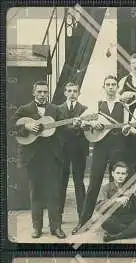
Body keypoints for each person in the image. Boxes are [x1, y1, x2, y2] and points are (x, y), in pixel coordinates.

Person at [72, 75, 129, 234]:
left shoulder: (124, 106)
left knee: (116, 185)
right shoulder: (97, 105)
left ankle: (113, 224)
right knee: (94, 184)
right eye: (108, 84)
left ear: (117, 87)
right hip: (100, 146)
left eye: (113, 85)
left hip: (118, 146)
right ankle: (83, 222)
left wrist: (126, 129)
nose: (111, 87)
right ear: (104, 87)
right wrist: (91, 123)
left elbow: (127, 128)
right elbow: (81, 120)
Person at [12, 80, 66, 239]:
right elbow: (11, 125)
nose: (42, 95)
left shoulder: (55, 109)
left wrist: (74, 123)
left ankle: (56, 228)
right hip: (33, 157)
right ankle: (37, 227)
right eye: (39, 92)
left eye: (45, 92)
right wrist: (26, 127)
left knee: (53, 193)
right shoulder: (25, 109)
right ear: (33, 92)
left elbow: (64, 128)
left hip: (52, 157)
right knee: (35, 192)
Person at [95, 161, 136, 242]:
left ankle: (117, 236)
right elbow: (99, 207)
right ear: (113, 173)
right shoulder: (106, 188)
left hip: (128, 217)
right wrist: (116, 199)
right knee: (103, 220)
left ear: (126, 175)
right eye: (118, 173)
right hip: (113, 218)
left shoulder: (131, 188)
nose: (120, 176)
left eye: (123, 174)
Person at [57, 82, 89, 226]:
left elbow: (88, 131)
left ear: (78, 93)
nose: (72, 93)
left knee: (78, 182)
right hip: (62, 151)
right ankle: (58, 216)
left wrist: (81, 127)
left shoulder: (85, 109)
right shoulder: (58, 110)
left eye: (74, 91)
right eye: (69, 91)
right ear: (65, 93)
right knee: (61, 182)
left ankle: (82, 216)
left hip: (78, 151)